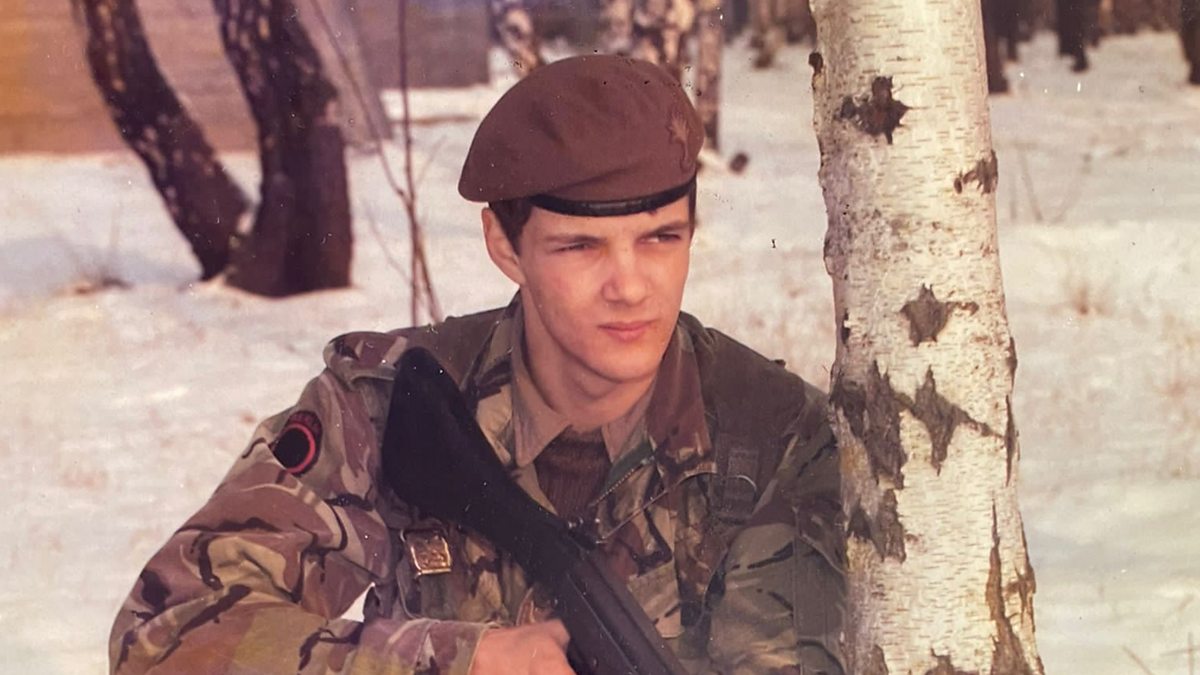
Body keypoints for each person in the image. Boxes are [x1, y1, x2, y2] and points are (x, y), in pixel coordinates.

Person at [109, 55, 845, 675]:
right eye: (580, 247)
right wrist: (459, 660)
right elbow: (163, 639)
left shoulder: (778, 439)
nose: (630, 286)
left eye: (660, 238)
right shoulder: (388, 405)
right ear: (504, 247)